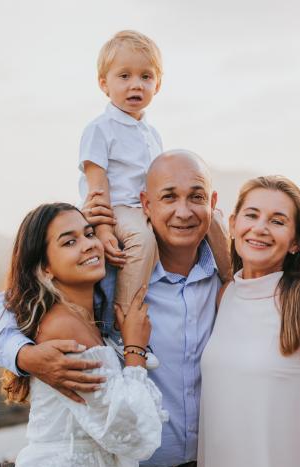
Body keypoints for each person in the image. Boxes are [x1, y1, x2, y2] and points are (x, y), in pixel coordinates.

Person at [0, 151, 223, 467]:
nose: (182, 211)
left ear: (211, 203)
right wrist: (23, 355)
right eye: (169, 196)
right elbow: (3, 307)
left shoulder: (231, 274)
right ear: (145, 204)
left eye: (195, 197)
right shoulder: (113, 273)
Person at [0, 203, 165, 467]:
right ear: (45, 266)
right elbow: (131, 433)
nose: (89, 246)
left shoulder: (83, 319)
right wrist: (135, 350)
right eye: (70, 242)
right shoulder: (63, 328)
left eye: (89, 234)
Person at [197, 176, 300, 467]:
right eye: (252, 215)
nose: (261, 228)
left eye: (278, 221)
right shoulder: (226, 296)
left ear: (295, 241)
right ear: (234, 224)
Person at [78, 31, 230, 314]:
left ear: (157, 85)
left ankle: (231, 284)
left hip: (148, 205)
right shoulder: (100, 129)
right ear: (104, 83)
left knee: (215, 220)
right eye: (124, 76)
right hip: (120, 207)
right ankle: (127, 314)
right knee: (143, 240)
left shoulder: (151, 133)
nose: (135, 85)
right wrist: (103, 228)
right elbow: (96, 187)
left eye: (145, 77)